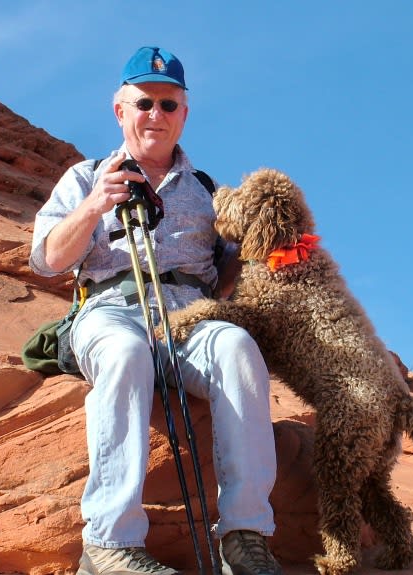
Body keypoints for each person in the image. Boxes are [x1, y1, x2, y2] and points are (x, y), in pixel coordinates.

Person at [29, 46, 281, 575]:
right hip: (110, 310)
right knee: (123, 353)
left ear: (184, 114)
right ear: (120, 111)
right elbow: (48, 259)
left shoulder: (209, 191)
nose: (156, 115)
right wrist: (96, 205)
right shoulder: (86, 176)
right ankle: (110, 544)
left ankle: (245, 535)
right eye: (144, 103)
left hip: (192, 316)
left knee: (238, 348)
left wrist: (260, 253)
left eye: (169, 105)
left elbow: (231, 274)